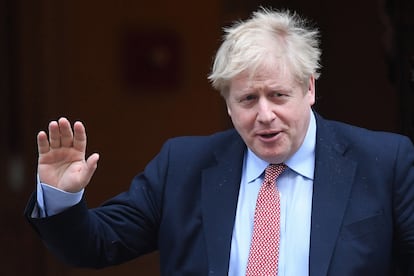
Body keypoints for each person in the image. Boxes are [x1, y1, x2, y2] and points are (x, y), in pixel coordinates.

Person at [25, 7, 414, 276]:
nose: (264, 115)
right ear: (228, 105)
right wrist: (61, 197)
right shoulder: (182, 166)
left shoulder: (383, 161)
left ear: (309, 88)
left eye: (278, 95)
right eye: (247, 99)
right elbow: (95, 246)